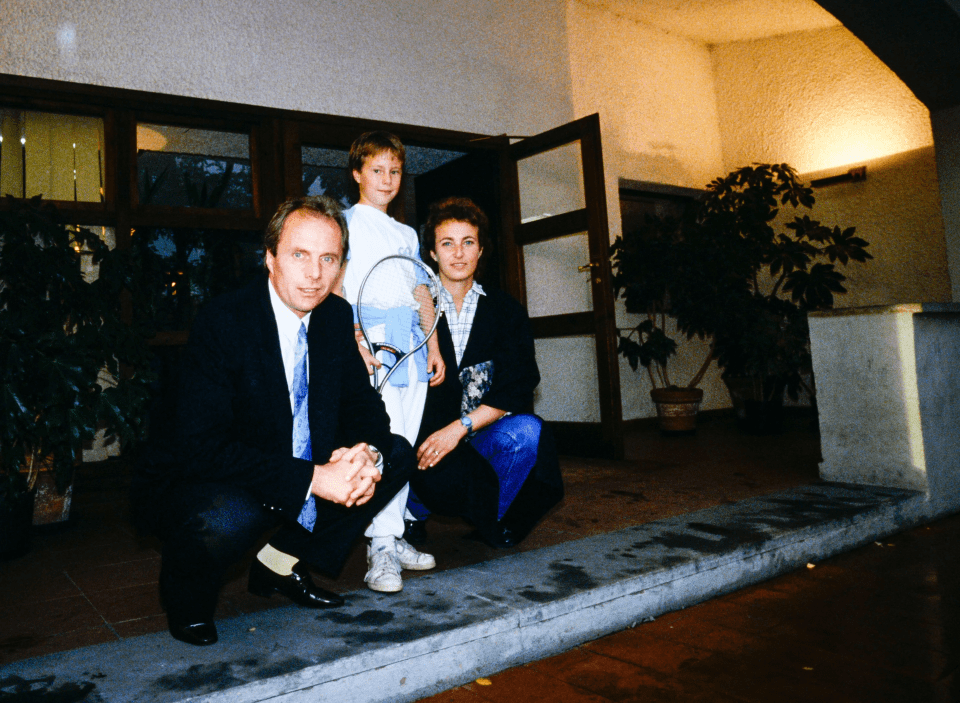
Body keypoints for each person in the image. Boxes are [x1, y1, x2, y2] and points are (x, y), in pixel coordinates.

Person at [135, 195, 415, 647]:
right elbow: (201, 448)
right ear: (270, 258)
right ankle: (186, 597)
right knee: (228, 517)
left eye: (328, 259)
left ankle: (280, 561)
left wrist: (366, 453)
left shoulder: (335, 316)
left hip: (286, 463)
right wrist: (313, 478)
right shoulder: (224, 321)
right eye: (299, 255)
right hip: (211, 474)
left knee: (394, 454)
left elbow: (366, 410)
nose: (314, 274)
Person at [411, 197, 563, 548]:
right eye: (447, 243)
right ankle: (411, 514)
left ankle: (489, 514)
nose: (459, 253)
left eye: (468, 243)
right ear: (432, 254)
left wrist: (459, 429)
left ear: (481, 250)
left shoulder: (506, 311)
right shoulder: (417, 307)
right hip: (426, 441)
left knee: (527, 431)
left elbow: (519, 383)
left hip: (477, 434)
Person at [336, 131, 444, 593]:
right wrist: (355, 343)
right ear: (358, 173)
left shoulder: (404, 232)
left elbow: (421, 290)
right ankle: (379, 547)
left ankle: (393, 535)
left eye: (394, 171)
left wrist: (433, 344)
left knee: (407, 438)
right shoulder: (345, 223)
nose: (386, 179)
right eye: (376, 170)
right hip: (375, 343)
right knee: (385, 440)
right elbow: (338, 289)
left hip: (412, 345)